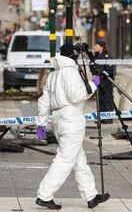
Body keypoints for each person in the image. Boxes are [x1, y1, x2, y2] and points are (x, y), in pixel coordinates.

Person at [35, 43, 110, 210]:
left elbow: (44, 101)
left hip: (58, 119)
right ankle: (44, 195)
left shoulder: (54, 74)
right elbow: (77, 96)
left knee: (79, 160)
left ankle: (91, 195)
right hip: (71, 119)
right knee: (65, 159)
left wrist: (41, 124)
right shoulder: (70, 71)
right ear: (73, 56)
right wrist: (94, 84)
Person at [94, 41, 116, 124]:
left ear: (101, 47)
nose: (94, 47)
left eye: (96, 46)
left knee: (107, 99)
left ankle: (109, 118)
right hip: (97, 80)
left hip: (106, 81)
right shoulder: (95, 56)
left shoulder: (107, 57)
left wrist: (104, 76)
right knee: (99, 99)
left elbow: (110, 70)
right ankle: (101, 117)